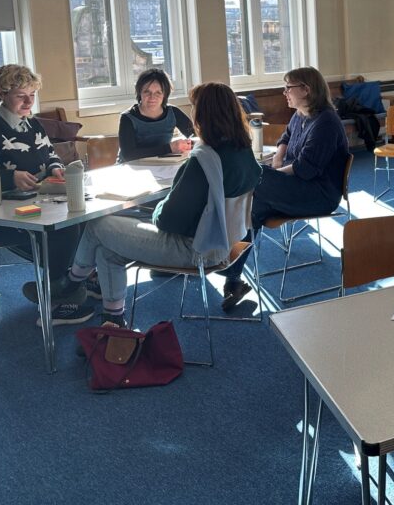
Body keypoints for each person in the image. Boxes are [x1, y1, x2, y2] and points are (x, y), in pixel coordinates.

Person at [46, 83, 261, 326]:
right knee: (108, 251)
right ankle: (113, 320)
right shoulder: (243, 152)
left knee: (98, 224)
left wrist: (156, 209)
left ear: (202, 114)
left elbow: (168, 220)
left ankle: (71, 284)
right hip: (227, 242)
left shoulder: (203, 161)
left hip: (195, 249)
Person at [0, 65, 87, 323]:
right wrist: (7, 178)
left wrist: (56, 169)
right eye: (21, 95)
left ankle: (67, 286)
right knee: (64, 231)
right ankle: (56, 302)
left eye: (32, 95)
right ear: (3, 94)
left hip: (37, 205)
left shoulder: (33, 124)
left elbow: (50, 155)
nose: (29, 101)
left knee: (82, 222)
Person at [219, 67, 349, 311]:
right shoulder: (300, 114)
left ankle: (222, 260)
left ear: (306, 90)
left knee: (255, 179)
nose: (284, 92)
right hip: (296, 186)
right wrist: (278, 157)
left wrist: (272, 174)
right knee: (252, 207)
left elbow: (306, 169)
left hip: (318, 195)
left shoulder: (326, 123)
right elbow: (285, 138)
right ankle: (233, 279)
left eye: (288, 87)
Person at [117, 68, 194, 163]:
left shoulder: (174, 112)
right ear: (139, 92)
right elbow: (128, 155)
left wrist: (189, 143)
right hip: (130, 168)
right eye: (147, 92)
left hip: (162, 166)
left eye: (158, 92)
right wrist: (169, 148)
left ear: (165, 94)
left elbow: (195, 135)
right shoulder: (127, 118)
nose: (152, 97)